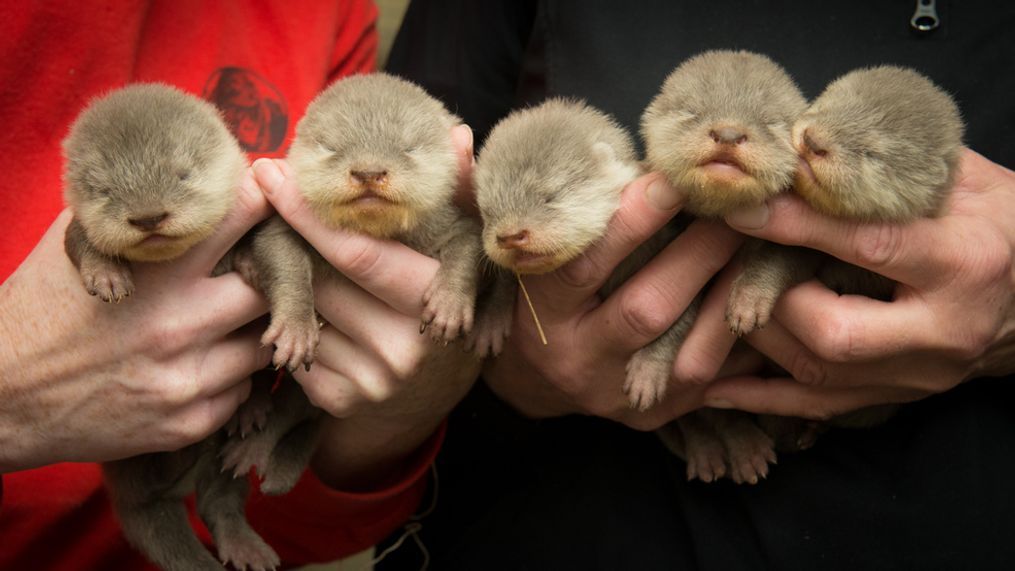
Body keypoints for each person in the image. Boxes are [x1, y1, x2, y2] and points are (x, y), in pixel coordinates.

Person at [374, 0, 1015, 568]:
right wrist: (497, 349)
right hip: (558, 514)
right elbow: (425, 187)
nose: (731, 137)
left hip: (935, 504)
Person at [0, 1, 480, 568]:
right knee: (151, 501)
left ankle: (226, 519)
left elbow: (327, 480)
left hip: (257, 446)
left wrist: (415, 394)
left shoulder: (326, 13)